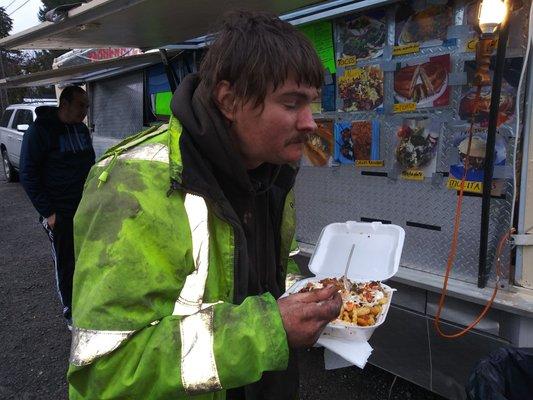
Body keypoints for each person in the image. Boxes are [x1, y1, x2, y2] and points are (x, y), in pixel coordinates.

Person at [67, 11, 342, 400]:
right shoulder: (136, 184)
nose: (310, 123)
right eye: (292, 103)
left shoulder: (272, 172)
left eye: (311, 103)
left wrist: (310, 302)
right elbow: (107, 373)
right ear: (229, 101)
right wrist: (271, 328)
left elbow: (267, 278)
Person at [20, 86, 94, 325]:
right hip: (58, 212)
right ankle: (71, 311)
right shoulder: (39, 131)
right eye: (81, 105)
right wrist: (48, 212)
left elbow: (89, 164)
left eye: (87, 106)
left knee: (86, 256)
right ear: (65, 104)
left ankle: (87, 299)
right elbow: (28, 174)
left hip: (84, 207)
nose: (85, 111)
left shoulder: (81, 130)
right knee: (65, 261)